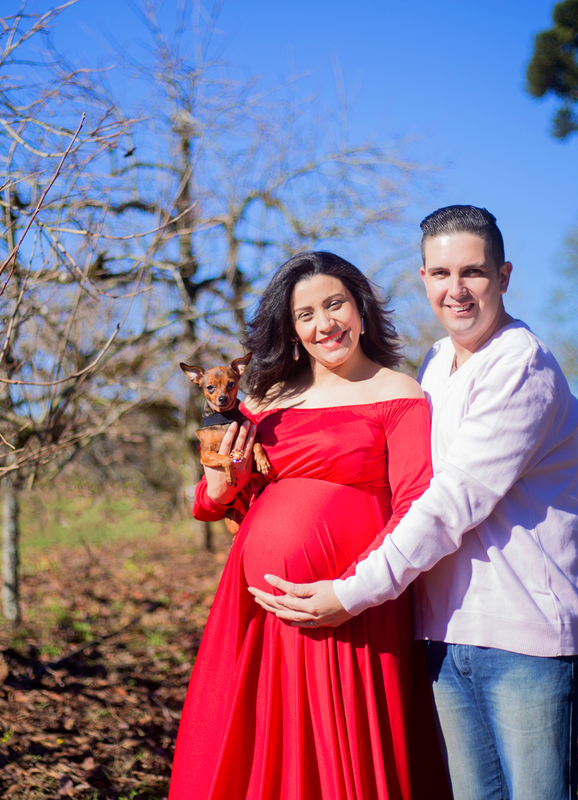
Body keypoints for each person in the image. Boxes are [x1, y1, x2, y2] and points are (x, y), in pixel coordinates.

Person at [252, 206, 578, 800]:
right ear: (423, 279)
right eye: (440, 274)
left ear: (504, 276)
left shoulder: (521, 366)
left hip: (520, 638)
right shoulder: (436, 366)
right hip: (441, 633)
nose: (455, 291)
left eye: (473, 273)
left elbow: (450, 502)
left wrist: (348, 593)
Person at [169, 251, 449, 800]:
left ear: (361, 307)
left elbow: (416, 504)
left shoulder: (399, 393)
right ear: (291, 330)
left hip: (351, 608)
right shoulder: (266, 399)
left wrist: (350, 593)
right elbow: (214, 499)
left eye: (334, 304)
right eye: (305, 314)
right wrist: (221, 485)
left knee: (343, 756)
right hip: (261, 611)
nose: (324, 324)